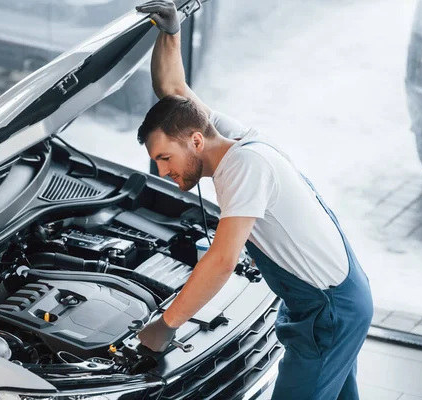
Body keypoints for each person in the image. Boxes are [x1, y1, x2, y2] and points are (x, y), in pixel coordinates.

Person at [133, 1, 374, 399]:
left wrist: (165, 325)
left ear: (195, 141)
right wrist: (171, 32)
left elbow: (223, 260)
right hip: (335, 299)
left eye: (164, 158)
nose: (162, 172)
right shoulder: (224, 134)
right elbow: (173, 92)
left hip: (328, 311)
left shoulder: (244, 167)